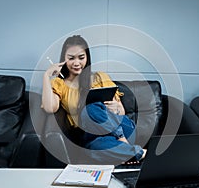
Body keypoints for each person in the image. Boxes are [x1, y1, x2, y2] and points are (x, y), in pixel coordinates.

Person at [42, 35, 146, 164]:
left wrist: (116, 107)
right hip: (92, 136)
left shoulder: (100, 77)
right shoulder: (60, 84)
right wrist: (46, 76)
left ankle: (120, 139)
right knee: (93, 150)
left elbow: (121, 112)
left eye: (81, 58)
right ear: (64, 58)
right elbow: (49, 107)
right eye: (71, 58)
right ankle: (135, 153)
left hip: (123, 128)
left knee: (90, 108)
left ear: (87, 58)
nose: (76, 63)